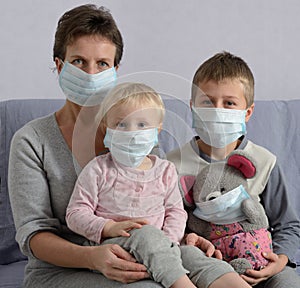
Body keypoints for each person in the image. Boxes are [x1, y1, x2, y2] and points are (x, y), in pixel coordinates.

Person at [7, 5, 250, 288]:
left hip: (147, 249)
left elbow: (160, 204)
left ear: (115, 70)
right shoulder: (32, 141)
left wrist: (185, 237)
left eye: (102, 64)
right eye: (78, 62)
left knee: (211, 268)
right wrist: (92, 257)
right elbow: (33, 234)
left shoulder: (137, 130)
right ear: (60, 66)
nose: (90, 73)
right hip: (63, 269)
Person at [66, 81, 253, 288]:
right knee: (147, 235)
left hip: (165, 246)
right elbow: (75, 213)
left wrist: (169, 241)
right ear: (106, 127)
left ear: (158, 129)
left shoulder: (165, 170)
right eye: (121, 124)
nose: (132, 133)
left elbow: (175, 211)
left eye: (142, 125)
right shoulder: (98, 169)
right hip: (114, 246)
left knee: (193, 255)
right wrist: (108, 227)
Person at [167, 51, 300, 287]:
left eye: (229, 103)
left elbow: (287, 224)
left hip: (261, 264)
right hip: (204, 266)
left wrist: (278, 262)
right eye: (207, 102)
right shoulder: (172, 164)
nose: (218, 110)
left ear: (247, 112)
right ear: (192, 107)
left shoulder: (264, 161)